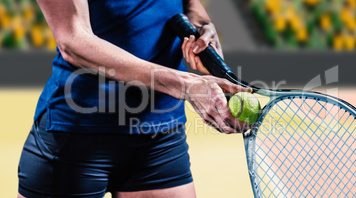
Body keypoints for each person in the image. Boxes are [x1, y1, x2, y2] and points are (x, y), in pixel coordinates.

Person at [18, 0, 251, 197]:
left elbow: (190, 4)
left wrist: (202, 26)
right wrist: (186, 85)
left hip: (162, 134)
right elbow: (73, 40)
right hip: (77, 132)